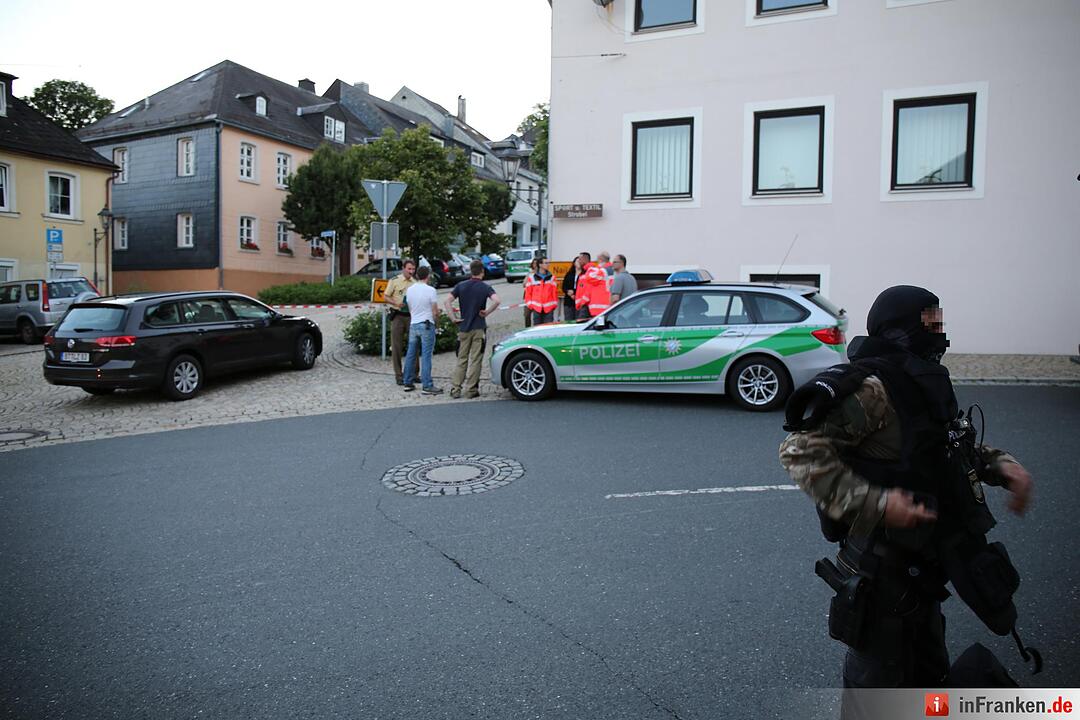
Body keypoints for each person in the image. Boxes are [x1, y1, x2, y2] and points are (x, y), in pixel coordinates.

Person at [778, 286, 1034, 700]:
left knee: (927, 678)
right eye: (930, 321)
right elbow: (798, 451)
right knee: (876, 691)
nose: (939, 331)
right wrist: (877, 505)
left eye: (939, 320)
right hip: (880, 574)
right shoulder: (872, 388)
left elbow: (944, 445)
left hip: (924, 570)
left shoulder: (921, 379)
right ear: (899, 329)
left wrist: (999, 465)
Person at [444, 259, 500, 399]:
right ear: (482, 271)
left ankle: (455, 389)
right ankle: (471, 390)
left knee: (461, 359)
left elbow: (447, 301)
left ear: (470, 270)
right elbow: (497, 301)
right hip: (478, 328)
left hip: (464, 328)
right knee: (476, 359)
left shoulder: (461, 286)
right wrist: (487, 312)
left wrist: (453, 317)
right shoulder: (485, 287)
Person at [402, 265, 443, 395]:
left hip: (414, 324)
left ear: (417, 275)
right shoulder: (430, 290)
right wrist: (437, 324)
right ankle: (427, 385)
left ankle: (407, 381)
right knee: (426, 356)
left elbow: (409, 307)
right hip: (426, 324)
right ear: (428, 276)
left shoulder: (410, 290)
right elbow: (435, 311)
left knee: (411, 354)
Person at [384, 259, 419, 385]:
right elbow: (386, 296)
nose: (411, 272)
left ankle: (414, 374)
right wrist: (395, 303)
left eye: (413, 269)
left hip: (411, 316)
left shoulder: (415, 283)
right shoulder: (394, 281)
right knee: (397, 347)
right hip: (398, 316)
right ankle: (399, 375)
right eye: (409, 269)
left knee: (414, 345)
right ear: (403, 268)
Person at [574, 251, 610, 320]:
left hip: (586, 305)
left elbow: (588, 290)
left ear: (585, 259)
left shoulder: (592, 271)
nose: (578, 261)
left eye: (580, 259)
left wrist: (582, 302)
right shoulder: (586, 271)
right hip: (586, 305)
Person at [523, 257, 558, 325]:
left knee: (548, 328)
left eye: (548, 263)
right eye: (546, 263)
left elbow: (554, 293)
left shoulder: (552, 278)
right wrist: (531, 305)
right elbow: (528, 293)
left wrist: (554, 304)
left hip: (549, 308)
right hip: (537, 308)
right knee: (537, 329)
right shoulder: (532, 277)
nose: (548, 265)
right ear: (540, 265)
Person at [561, 256, 581, 322]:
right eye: (578, 261)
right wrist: (567, 291)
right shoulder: (569, 274)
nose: (579, 263)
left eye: (580, 261)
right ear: (574, 263)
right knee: (568, 321)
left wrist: (574, 293)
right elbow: (564, 286)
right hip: (569, 302)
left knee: (579, 320)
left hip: (580, 301)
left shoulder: (584, 274)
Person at [523, 258, 540, 328]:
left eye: (536, 263)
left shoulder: (542, 274)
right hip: (529, 297)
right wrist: (529, 275)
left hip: (538, 298)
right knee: (527, 314)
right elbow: (524, 284)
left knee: (537, 316)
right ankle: (527, 328)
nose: (535, 265)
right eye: (534, 263)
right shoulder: (530, 273)